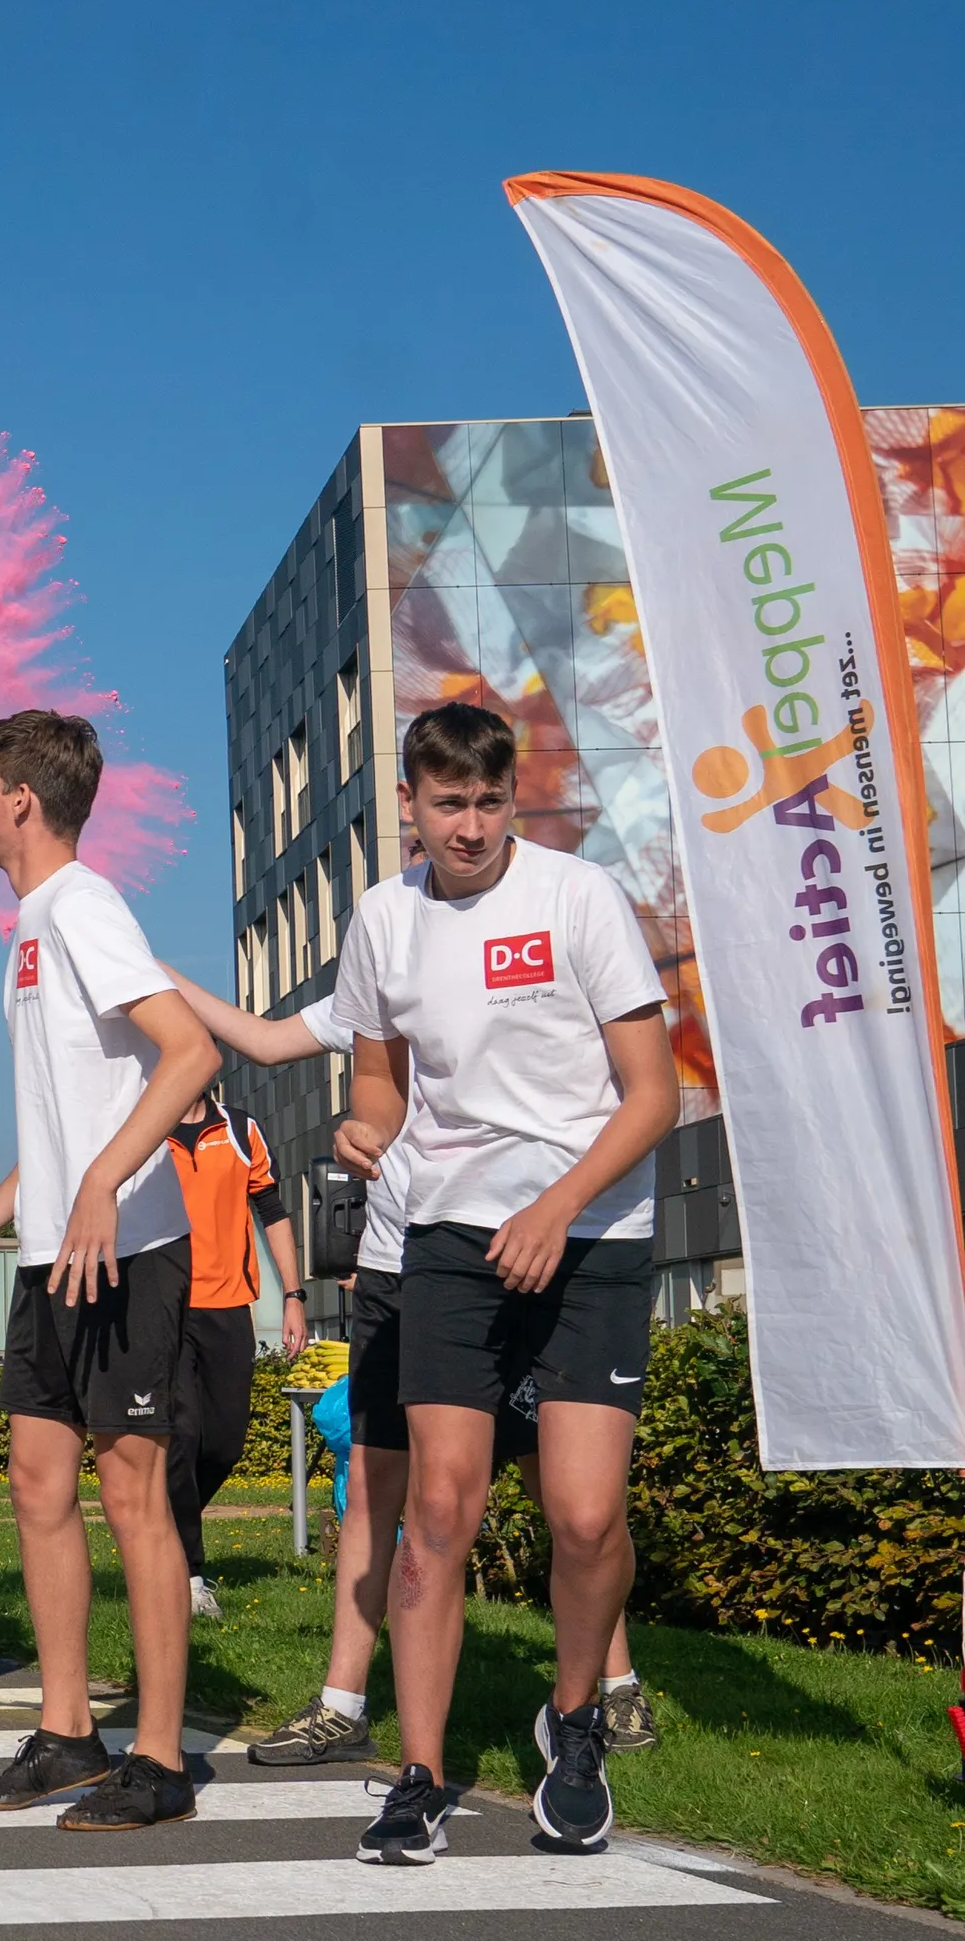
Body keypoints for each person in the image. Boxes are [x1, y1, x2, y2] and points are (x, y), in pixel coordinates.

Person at [324, 704, 672, 1863]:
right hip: (450, 1235)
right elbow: (381, 1081)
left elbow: (652, 1094)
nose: (468, 828)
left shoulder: (579, 900)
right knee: (438, 1509)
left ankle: (573, 1726)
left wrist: (557, 1207)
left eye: (488, 803)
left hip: (591, 1233)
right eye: (446, 805)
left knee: (583, 1516)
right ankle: (419, 1777)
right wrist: (360, 1129)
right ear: (410, 808)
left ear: (510, 798)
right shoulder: (383, 918)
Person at [0, 708, 219, 1830]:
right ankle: (65, 1734)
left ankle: (160, 1759)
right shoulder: (33, 925)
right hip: (52, 1255)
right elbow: (61, 1113)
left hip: (127, 1251)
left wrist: (102, 1181)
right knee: (37, 1485)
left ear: (21, 803)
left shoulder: (85, 907)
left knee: (131, 1492)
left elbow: (190, 1050)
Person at [159, 1081, 307, 1617]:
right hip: (166, 1309)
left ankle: (159, 1531)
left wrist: (293, 1295)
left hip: (229, 1308)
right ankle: (188, 1573)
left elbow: (272, 1212)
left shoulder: (241, 1129)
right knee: (181, 1436)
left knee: (224, 1442)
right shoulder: (148, 1132)